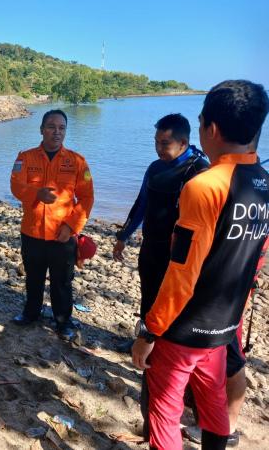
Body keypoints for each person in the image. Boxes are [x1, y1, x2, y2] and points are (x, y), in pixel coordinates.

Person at [132, 80, 269, 450]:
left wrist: (150, 331)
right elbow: (256, 255)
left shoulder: (205, 186)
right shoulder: (263, 183)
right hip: (225, 325)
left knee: (164, 410)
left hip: (185, 328)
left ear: (209, 128)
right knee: (212, 405)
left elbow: (182, 272)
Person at [113, 114, 208, 342]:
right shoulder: (155, 168)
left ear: (183, 143)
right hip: (151, 246)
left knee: (174, 304)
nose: (158, 148)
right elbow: (141, 204)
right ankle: (144, 340)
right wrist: (123, 236)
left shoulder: (199, 172)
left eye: (164, 143)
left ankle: (166, 348)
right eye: (156, 142)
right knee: (148, 296)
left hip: (178, 256)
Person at [10, 109, 94, 341]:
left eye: (61, 128)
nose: (56, 132)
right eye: (51, 127)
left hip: (63, 236)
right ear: (41, 129)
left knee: (62, 282)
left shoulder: (77, 161)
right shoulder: (25, 157)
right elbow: (16, 186)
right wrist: (36, 193)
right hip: (32, 232)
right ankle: (31, 313)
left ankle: (62, 320)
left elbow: (87, 198)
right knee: (33, 277)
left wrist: (71, 226)